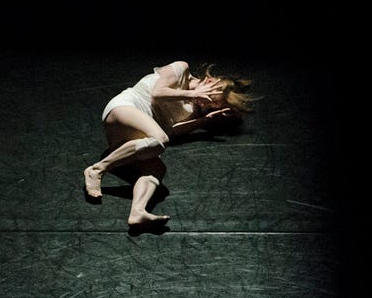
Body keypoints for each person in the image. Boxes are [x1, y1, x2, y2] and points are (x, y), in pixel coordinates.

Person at [83, 61, 253, 229]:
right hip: (122, 109)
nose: (204, 104)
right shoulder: (181, 69)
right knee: (159, 140)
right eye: (208, 99)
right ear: (209, 82)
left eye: (210, 106)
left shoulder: (193, 109)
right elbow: (157, 94)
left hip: (124, 139)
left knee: (157, 168)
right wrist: (193, 95)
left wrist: (203, 121)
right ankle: (97, 169)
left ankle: (137, 212)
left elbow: (170, 132)